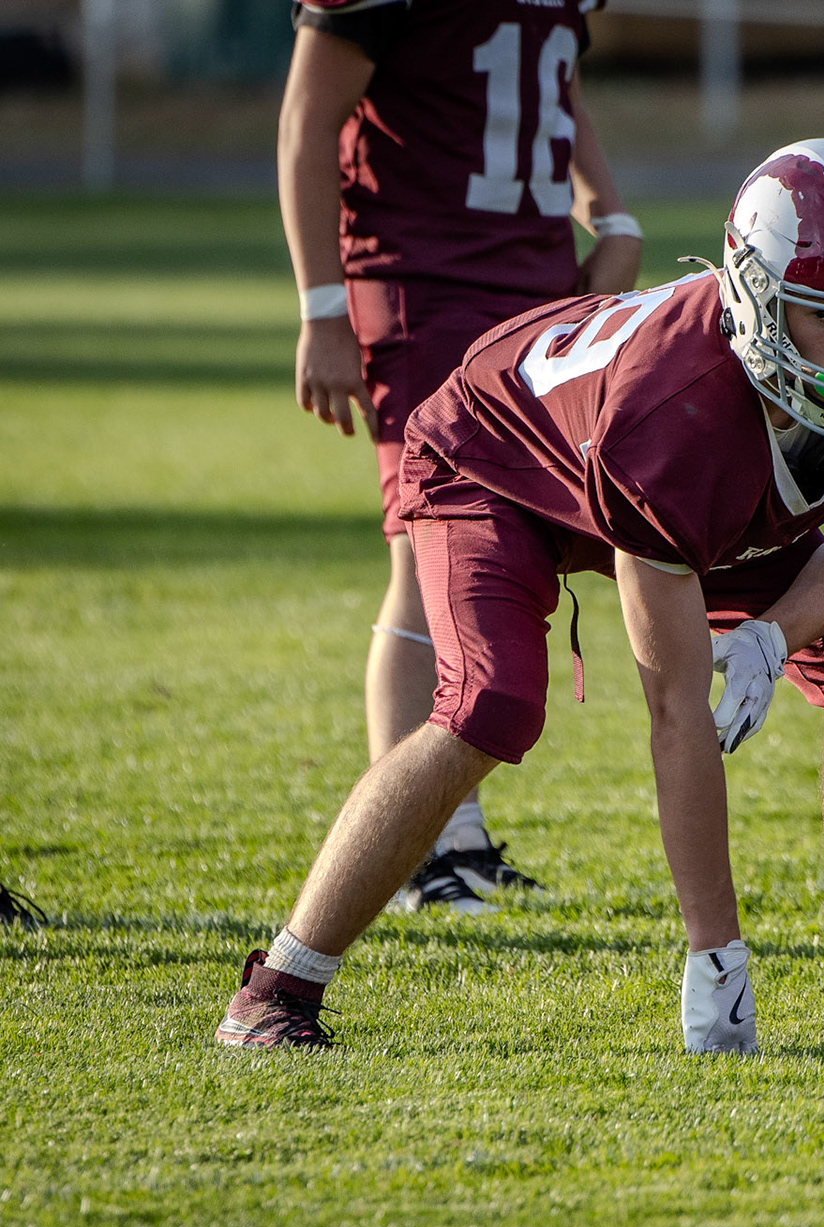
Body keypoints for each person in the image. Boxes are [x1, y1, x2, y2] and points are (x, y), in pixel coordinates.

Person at [217, 139, 824, 1053]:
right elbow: (674, 711)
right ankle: (279, 986)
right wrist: (715, 958)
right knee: (489, 704)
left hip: (688, 480)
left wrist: (773, 639)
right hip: (499, 464)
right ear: (757, 295)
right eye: (821, 315)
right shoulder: (675, 410)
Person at [280, 0, 642, 912]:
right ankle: (419, 850)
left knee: (509, 545)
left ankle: (458, 837)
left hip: (535, 282)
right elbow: (307, 116)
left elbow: (551, 83)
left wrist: (612, 213)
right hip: (422, 279)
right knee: (426, 545)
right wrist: (322, 310)